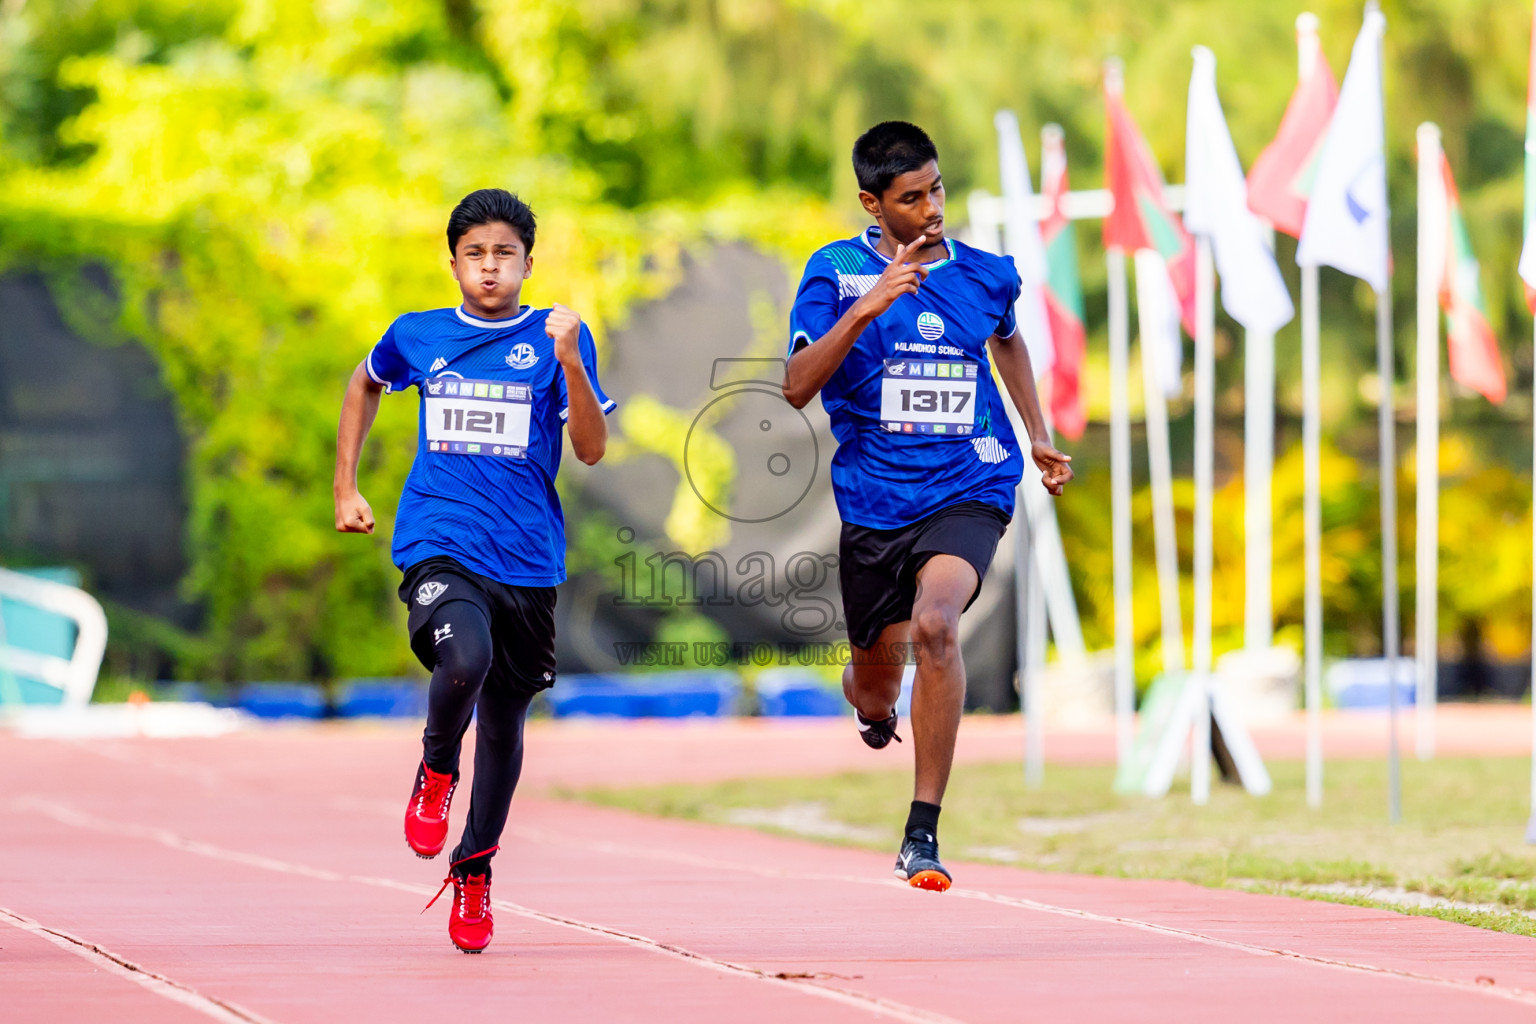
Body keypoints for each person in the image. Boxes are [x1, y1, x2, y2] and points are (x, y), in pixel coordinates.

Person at [782, 122, 1072, 892]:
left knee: (939, 625)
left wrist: (1037, 435)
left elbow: (1007, 338)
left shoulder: (982, 273)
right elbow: (797, 385)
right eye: (912, 198)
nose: (932, 207)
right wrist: (867, 307)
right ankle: (870, 706)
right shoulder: (836, 271)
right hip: (876, 502)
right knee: (876, 682)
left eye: (937, 188)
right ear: (872, 204)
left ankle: (922, 832)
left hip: (971, 482)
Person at [333, 188, 615, 951]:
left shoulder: (559, 338)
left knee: (504, 722)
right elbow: (365, 383)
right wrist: (346, 486)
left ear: (528, 261)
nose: (489, 269)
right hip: (440, 538)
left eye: (504, 255)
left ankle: (476, 865)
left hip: (526, 558)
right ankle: (433, 769)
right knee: (465, 657)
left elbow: (589, 448)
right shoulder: (417, 335)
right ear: (453, 260)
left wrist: (569, 363)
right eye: (474, 254)